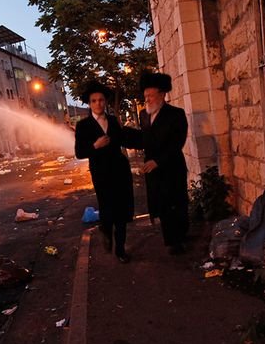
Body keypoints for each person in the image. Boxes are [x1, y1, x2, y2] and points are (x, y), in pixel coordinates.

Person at [74, 81, 140, 263]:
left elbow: (124, 140)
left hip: (120, 169)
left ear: (105, 102)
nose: (98, 104)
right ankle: (106, 230)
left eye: (101, 100)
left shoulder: (113, 120)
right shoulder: (83, 125)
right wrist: (95, 146)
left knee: (122, 210)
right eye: (94, 101)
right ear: (89, 103)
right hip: (101, 173)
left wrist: (145, 139)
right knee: (107, 208)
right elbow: (79, 152)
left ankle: (120, 250)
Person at [138, 72, 189, 255]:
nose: (147, 100)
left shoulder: (176, 114)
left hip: (171, 166)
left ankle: (179, 240)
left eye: (151, 96)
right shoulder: (143, 115)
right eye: (145, 97)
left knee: (177, 202)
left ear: (162, 95)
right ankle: (170, 238)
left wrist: (158, 161)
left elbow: (177, 142)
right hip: (152, 169)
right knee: (161, 204)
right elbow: (144, 139)